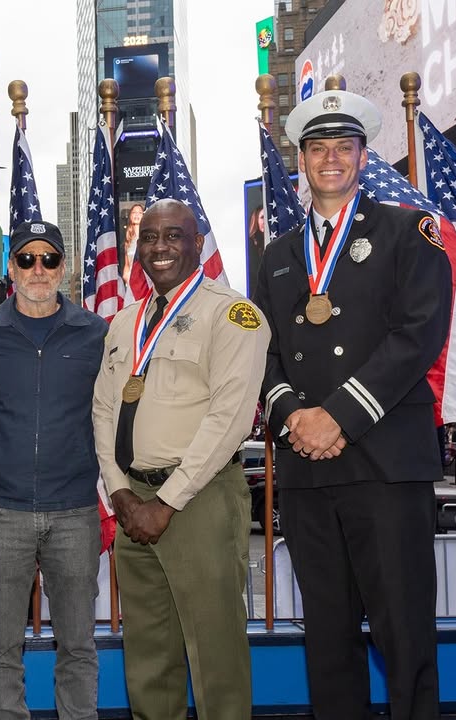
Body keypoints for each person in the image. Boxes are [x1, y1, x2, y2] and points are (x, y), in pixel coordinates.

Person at [255, 89, 452, 720]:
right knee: (329, 638)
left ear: (364, 157)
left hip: (385, 462)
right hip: (310, 471)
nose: (331, 159)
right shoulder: (278, 254)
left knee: (404, 633)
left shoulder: (406, 231)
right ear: (303, 161)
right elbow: (267, 352)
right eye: (318, 149)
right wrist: (294, 418)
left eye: (344, 147)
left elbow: (418, 333)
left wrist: (335, 415)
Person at [93, 198, 270, 720]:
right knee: (149, 656)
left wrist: (165, 502)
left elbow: (230, 420)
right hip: (133, 502)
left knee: (214, 653)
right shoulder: (125, 322)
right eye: (149, 237)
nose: (160, 247)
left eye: (174, 236)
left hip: (199, 500)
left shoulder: (232, 314)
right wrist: (120, 490)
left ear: (197, 243)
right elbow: (104, 408)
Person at [0, 220, 108, 720]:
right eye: (26, 258)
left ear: (63, 267)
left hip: (76, 512)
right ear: (10, 268)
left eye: (48, 259)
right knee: (1, 646)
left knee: (79, 646)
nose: (37, 269)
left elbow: (109, 411)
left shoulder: (95, 333)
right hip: (3, 513)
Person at [122, 203, 144, 285]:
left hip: (144, 283)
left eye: (140, 213)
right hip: (131, 283)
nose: (137, 215)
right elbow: (127, 265)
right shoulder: (128, 240)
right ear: (130, 216)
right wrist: (127, 278)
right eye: (134, 212)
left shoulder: (147, 237)